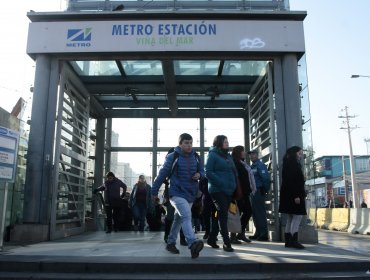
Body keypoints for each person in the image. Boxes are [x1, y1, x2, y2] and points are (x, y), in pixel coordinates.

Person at [152, 133, 205, 259]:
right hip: (176, 192)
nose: (189, 145)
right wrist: (154, 192)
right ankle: (192, 242)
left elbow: (203, 172)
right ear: (180, 144)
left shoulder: (197, 157)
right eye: (186, 143)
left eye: (191, 143)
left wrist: (199, 174)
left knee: (179, 219)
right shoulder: (172, 156)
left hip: (191, 193)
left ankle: (171, 242)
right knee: (187, 216)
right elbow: (162, 174)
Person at [205, 135, 237, 252]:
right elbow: (208, 172)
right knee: (223, 214)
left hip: (228, 190)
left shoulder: (228, 156)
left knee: (219, 214)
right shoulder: (213, 155)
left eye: (227, 141)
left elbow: (233, 172)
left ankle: (212, 238)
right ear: (218, 143)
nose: (227, 143)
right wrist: (222, 182)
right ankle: (226, 242)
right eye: (224, 141)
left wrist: (233, 185)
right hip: (217, 190)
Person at [279, 146, 306, 249]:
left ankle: (288, 241)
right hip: (295, 195)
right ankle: (294, 240)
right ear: (294, 153)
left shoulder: (287, 163)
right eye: (299, 153)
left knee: (291, 217)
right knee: (297, 216)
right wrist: (296, 196)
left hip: (289, 195)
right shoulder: (293, 164)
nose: (301, 155)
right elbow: (293, 182)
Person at [231, 145, 257, 244]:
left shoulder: (242, 163)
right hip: (237, 193)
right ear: (238, 152)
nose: (245, 152)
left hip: (244, 193)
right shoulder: (235, 163)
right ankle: (234, 236)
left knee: (247, 212)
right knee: (236, 214)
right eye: (243, 151)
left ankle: (240, 233)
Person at [248, 149, 270, 241]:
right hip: (253, 192)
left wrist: (264, 189)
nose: (251, 156)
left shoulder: (260, 165)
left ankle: (264, 234)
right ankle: (258, 232)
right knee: (255, 213)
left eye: (253, 154)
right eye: (250, 154)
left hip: (258, 191)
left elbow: (265, 178)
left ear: (257, 155)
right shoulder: (252, 166)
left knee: (260, 213)